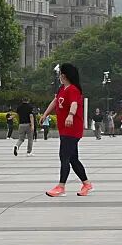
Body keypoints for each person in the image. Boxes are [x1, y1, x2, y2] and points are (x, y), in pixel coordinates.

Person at [43, 63, 93, 197]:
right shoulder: (62, 88)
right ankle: (86, 184)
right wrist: (45, 114)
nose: (59, 76)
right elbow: (55, 101)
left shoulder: (73, 89)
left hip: (72, 128)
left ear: (64, 75)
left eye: (60, 74)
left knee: (64, 156)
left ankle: (61, 187)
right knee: (73, 158)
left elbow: (74, 104)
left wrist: (70, 115)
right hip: (64, 128)